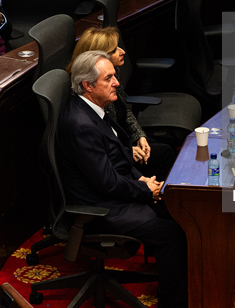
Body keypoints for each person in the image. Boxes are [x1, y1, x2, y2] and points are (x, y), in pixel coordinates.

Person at [57, 50, 188, 307]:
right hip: (101, 208)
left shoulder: (96, 109)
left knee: (180, 211)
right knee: (173, 234)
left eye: (114, 76)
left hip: (116, 191)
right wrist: (144, 190)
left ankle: (179, 280)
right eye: (109, 78)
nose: (117, 82)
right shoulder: (81, 124)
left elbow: (120, 158)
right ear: (88, 85)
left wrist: (143, 180)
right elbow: (105, 182)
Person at [67, 27, 176, 181]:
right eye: (114, 50)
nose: (122, 51)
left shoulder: (112, 75)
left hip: (123, 142)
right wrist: (127, 150)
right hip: (116, 157)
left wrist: (140, 136)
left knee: (161, 156)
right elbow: (104, 140)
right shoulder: (91, 95)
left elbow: (124, 110)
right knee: (163, 156)